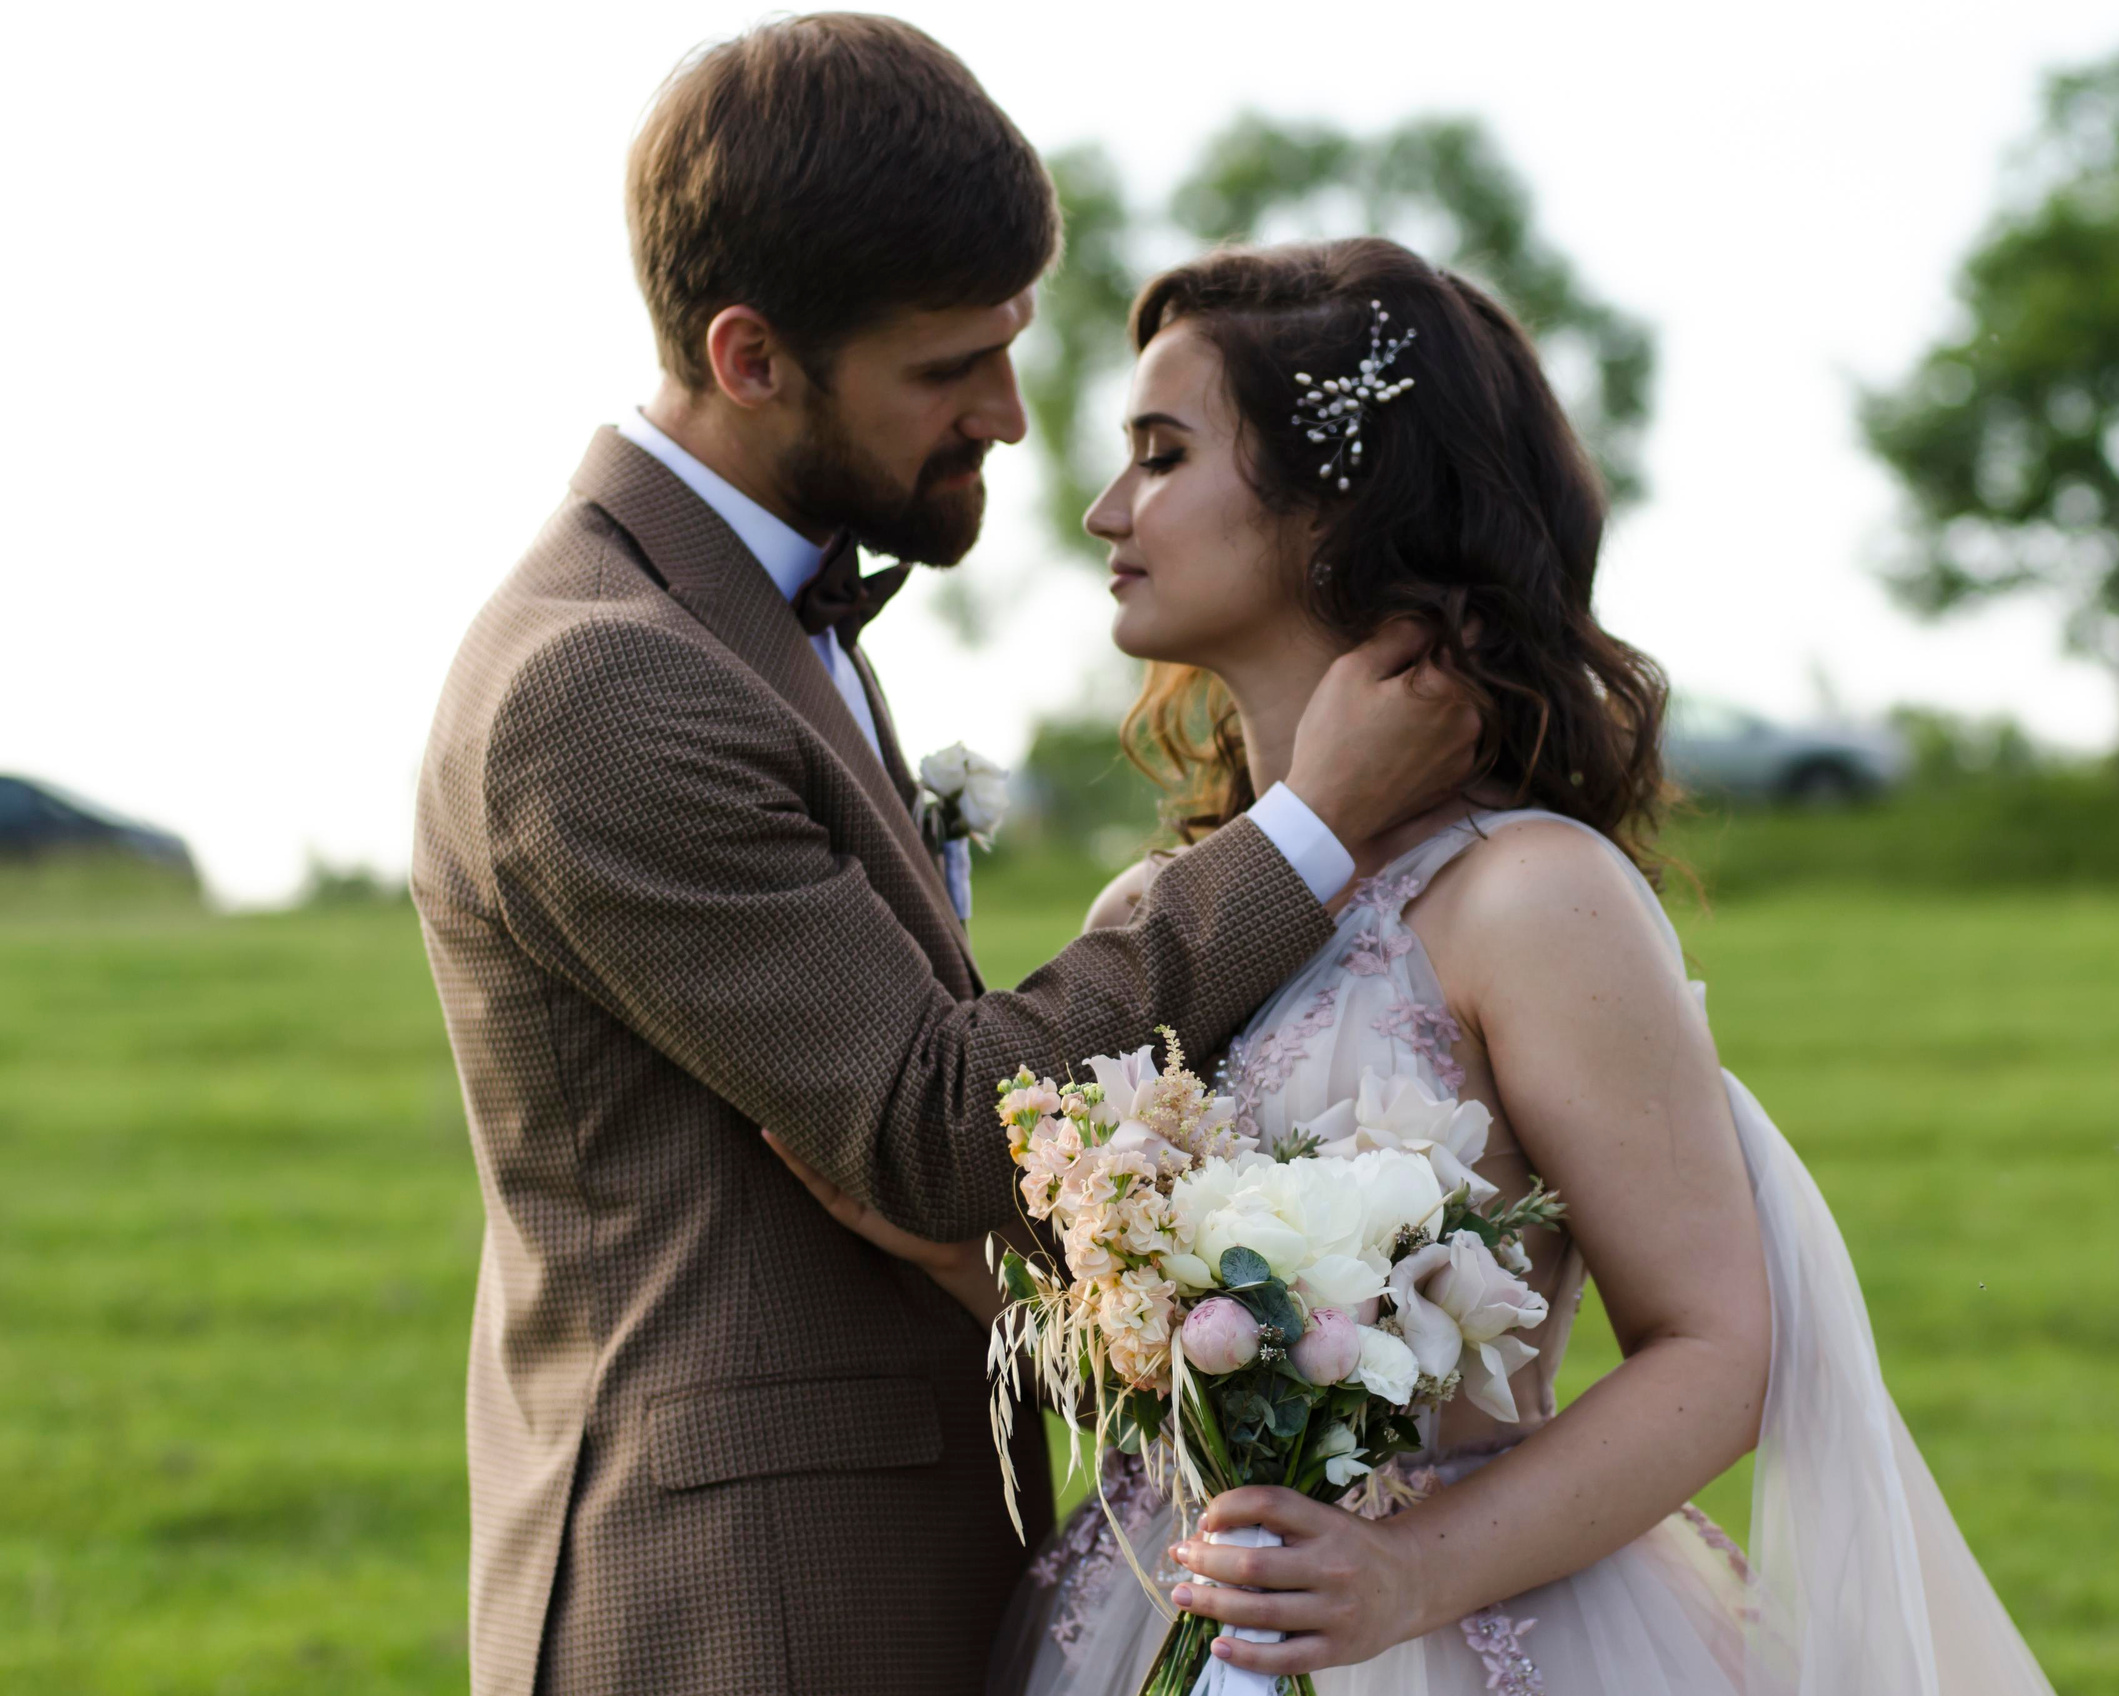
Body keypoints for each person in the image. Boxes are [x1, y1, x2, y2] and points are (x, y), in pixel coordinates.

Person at [780, 237, 2059, 1695]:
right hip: (1156, 1618)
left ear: (1335, 506)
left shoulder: (1530, 898)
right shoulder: (1153, 909)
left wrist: (1403, 1576)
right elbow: (1162, 1366)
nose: (1105, 509)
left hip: (1465, 1626)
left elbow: (1717, 1347)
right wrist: (956, 1248)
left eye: (1164, 453)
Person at [411, 20, 1478, 1696]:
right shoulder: (603, 681)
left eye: (1010, 344)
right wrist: (1307, 829)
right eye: (946, 369)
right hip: (745, 1616)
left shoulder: (755, 614)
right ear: (751, 357)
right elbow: (931, 1127)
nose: (1009, 415)